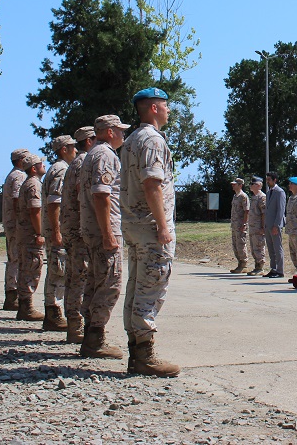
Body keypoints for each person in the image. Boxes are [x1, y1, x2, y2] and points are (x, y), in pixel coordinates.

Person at [120, 88, 180, 377]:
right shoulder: (152, 139)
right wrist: (164, 226)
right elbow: (152, 184)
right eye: (166, 106)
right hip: (151, 228)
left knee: (136, 286)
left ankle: (136, 350)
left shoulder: (131, 139)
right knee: (152, 286)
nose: (169, 111)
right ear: (154, 108)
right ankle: (145, 355)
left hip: (134, 226)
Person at [79, 115, 128, 360]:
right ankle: (95, 338)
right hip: (103, 229)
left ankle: (90, 334)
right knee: (110, 282)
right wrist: (108, 233)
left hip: (92, 228)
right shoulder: (105, 155)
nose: (122, 135)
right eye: (120, 130)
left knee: (95, 280)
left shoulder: (93, 154)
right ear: (109, 131)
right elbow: (101, 195)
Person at [62, 126, 95, 343]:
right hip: (81, 230)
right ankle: (76, 327)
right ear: (90, 142)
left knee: (74, 277)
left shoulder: (74, 163)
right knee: (80, 279)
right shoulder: (83, 163)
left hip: (73, 229)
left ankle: (74, 325)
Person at [41, 135, 76, 331]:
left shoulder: (58, 169)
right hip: (59, 230)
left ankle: (53, 312)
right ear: (63, 149)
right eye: (72, 147)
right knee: (58, 271)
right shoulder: (61, 170)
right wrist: (56, 231)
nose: (75, 150)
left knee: (57, 270)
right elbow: (54, 203)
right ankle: (53, 313)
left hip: (57, 229)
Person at [15, 152, 47, 322]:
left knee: (27, 267)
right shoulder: (34, 184)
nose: (44, 166)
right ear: (34, 168)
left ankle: (24, 305)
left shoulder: (29, 183)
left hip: (25, 233)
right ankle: (26, 307)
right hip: (31, 234)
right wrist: (40, 232)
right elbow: (35, 210)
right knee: (31, 267)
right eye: (41, 164)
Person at [1, 148, 31, 311]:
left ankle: (13, 294)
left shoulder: (14, 175)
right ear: (20, 161)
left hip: (12, 223)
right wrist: (21, 220)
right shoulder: (19, 176)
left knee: (15, 257)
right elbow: (16, 200)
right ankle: (13, 295)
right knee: (16, 258)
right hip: (16, 224)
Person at [263, 172, 286, 278]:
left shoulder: (280, 192)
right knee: (271, 248)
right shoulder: (268, 193)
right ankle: (273, 268)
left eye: (269, 180)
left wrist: (276, 225)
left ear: (274, 180)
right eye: (267, 180)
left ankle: (280, 270)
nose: (267, 182)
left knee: (277, 248)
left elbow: (280, 210)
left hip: (275, 225)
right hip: (268, 224)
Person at [246, 177, 268, 276]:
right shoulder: (254, 197)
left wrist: (263, 227)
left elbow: (264, 213)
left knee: (259, 247)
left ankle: (260, 267)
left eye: (253, 184)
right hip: (253, 227)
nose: (250, 186)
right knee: (254, 248)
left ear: (259, 185)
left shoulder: (262, 197)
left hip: (259, 228)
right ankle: (256, 266)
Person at [228, 177, 250, 274]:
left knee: (241, 244)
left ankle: (244, 264)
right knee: (235, 245)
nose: (233, 186)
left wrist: (244, 224)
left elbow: (247, 211)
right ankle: (239, 264)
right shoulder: (235, 196)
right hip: (235, 225)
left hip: (241, 225)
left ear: (240, 185)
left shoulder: (243, 196)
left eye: (235, 184)